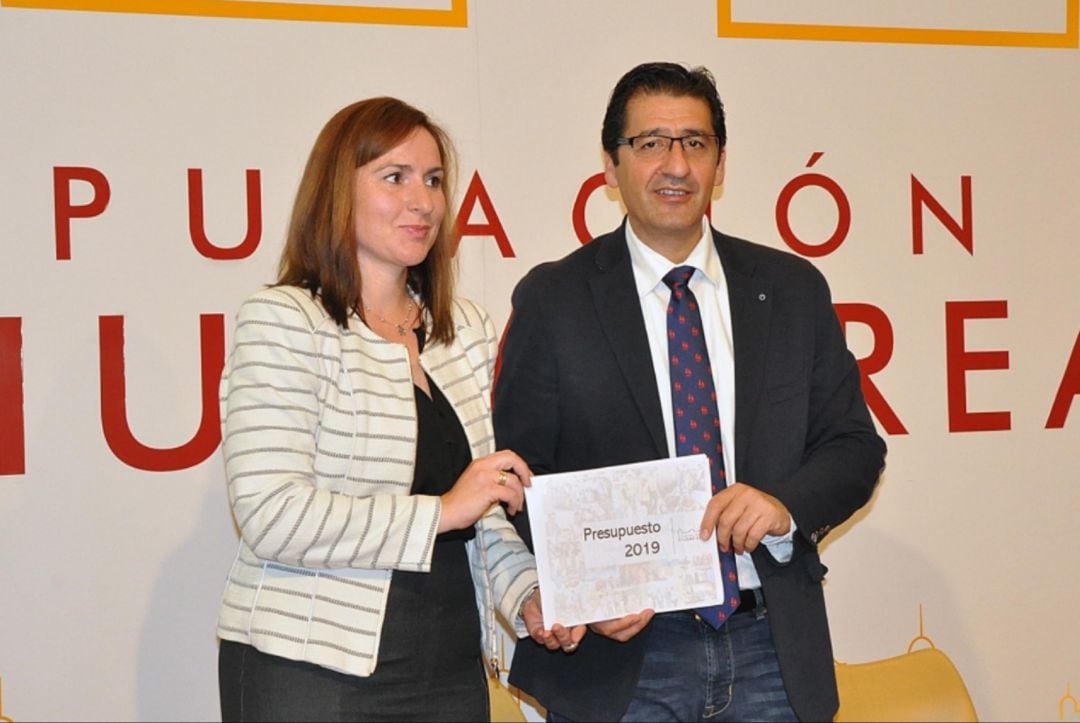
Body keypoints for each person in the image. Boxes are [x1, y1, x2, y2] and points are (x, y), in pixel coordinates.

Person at [493, 62, 887, 722]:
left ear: (720, 163)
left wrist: (782, 504)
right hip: (625, 655)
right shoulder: (554, 299)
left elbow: (854, 448)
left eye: (694, 143)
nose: (675, 164)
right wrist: (588, 586)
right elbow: (521, 477)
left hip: (771, 647)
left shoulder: (792, 289)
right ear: (611, 166)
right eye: (650, 143)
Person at [215, 96, 578, 722]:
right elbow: (270, 514)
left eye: (434, 180)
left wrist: (527, 595)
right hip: (307, 669)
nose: (423, 201)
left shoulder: (463, 328)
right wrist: (441, 510)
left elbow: (484, 508)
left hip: (449, 670)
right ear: (336, 192)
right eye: (394, 177)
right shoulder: (282, 319)